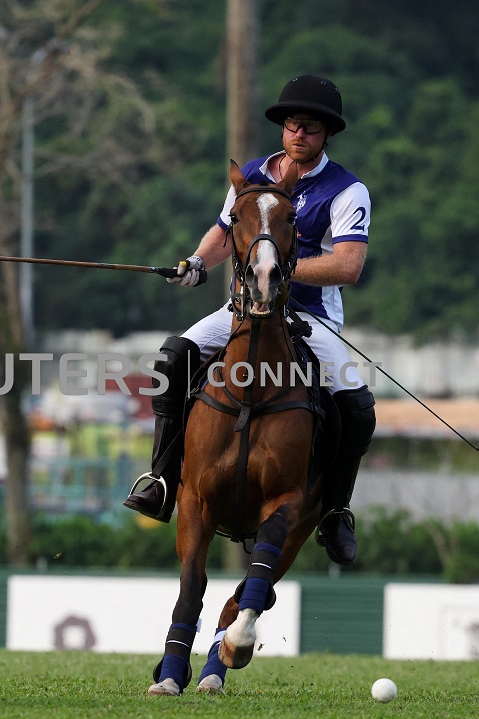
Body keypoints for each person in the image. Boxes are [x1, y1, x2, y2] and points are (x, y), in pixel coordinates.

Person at [124, 74, 376, 565]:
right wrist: (197, 263)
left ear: (327, 135)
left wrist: (275, 269)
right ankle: (160, 479)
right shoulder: (254, 175)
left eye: (311, 128)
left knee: (357, 405)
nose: (300, 134)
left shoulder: (347, 190)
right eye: (293, 125)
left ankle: (335, 511)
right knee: (174, 356)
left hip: (310, 316)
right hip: (243, 310)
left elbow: (348, 264)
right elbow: (224, 233)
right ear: (283, 128)